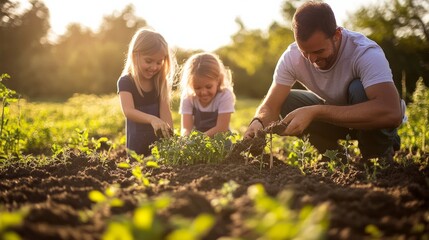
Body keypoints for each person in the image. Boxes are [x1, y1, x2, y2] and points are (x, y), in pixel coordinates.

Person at [244, 1, 405, 160]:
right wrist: (258, 122)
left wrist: (316, 111)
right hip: (336, 119)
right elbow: (271, 105)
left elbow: (391, 112)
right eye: (305, 52)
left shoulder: (364, 53)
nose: (312, 59)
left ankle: (377, 155)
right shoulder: (291, 57)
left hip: (369, 122)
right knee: (287, 100)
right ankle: (334, 155)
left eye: (319, 51)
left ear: (337, 35)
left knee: (358, 88)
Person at [117, 28, 175, 156]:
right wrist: (152, 119)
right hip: (136, 148)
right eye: (148, 61)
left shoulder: (160, 82)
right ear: (135, 55)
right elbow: (128, 111)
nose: (154, 67)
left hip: (159, 149)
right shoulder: (126, 82)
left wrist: (171, 139)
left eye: (159, 62)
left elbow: (165, 113)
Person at [179, 52, 236, 137]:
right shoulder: (188, 97)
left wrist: (198, 140)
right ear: (191, 85)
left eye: (208, 87)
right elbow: (186, 128)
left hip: (220, 141)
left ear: (218, 80)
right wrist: (186, 139)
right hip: (197, 142)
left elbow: (222, 128)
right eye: (197, 88)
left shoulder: (224, 95)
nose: (203, 92)